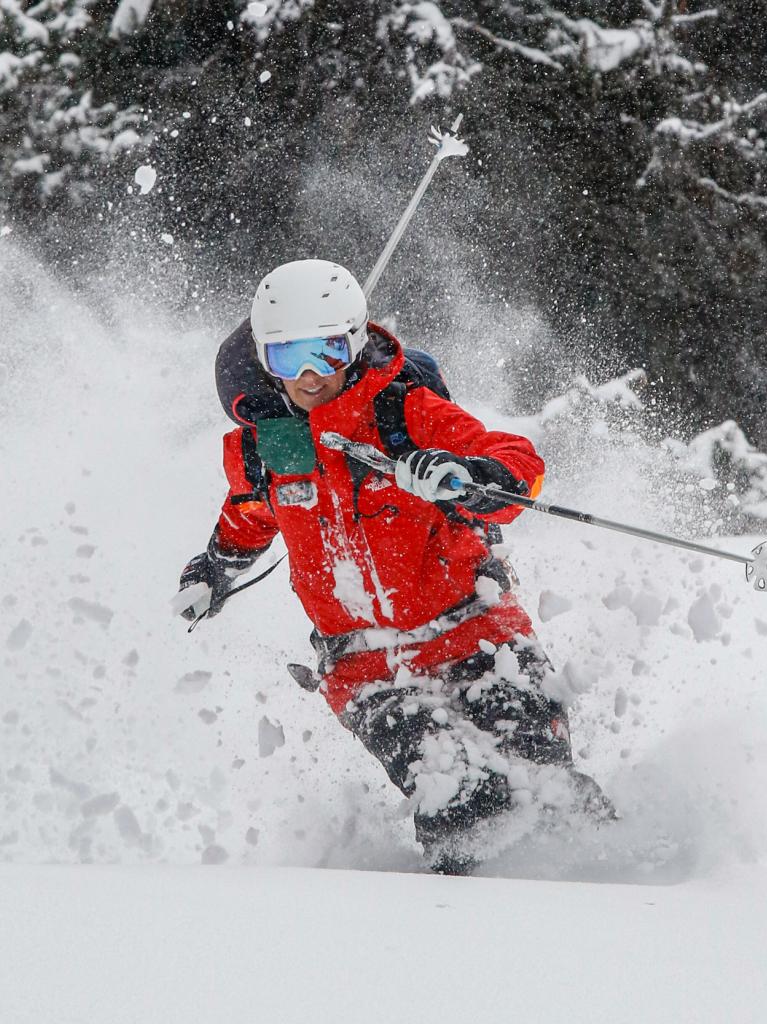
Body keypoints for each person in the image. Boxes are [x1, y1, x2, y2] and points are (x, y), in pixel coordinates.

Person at [175, 259, 612, 873]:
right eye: (287, 356)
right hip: (370, 673)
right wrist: (213, 569)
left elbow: (517, 460)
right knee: (459, 797)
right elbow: (250, 513)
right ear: (265, 360)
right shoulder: (264, 446)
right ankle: (452, 916)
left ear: (353, 345)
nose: (308, 376)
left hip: (479, 635)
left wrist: (472, 475)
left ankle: (615, 879)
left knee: (543, 775)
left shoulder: (403, 413)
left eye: (325, 352)